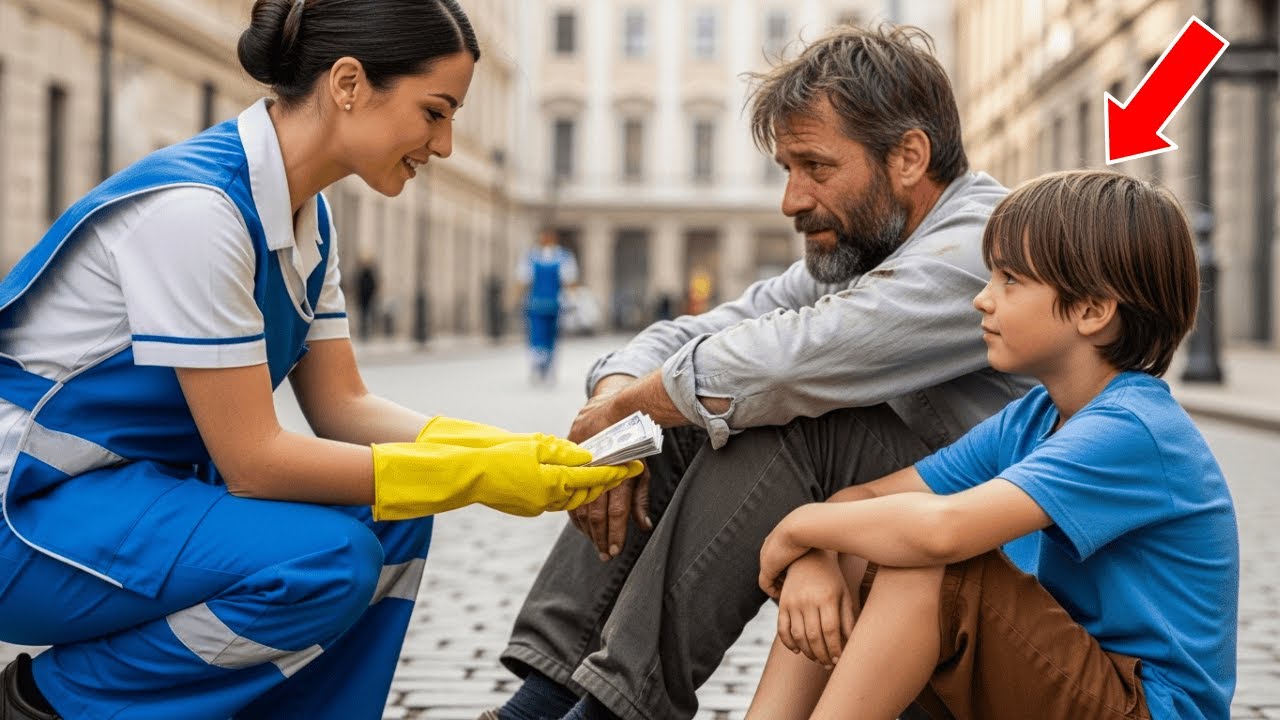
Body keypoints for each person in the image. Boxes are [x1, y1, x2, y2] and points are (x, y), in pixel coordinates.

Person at [0, 2, 639, 718]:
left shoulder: (308, 216)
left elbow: (343, 408)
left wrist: (517, 451)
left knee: (394, 515)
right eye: (435, 111)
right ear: (348, 84)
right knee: (323, 561)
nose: (449, 144)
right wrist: (482, 476)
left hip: (113, 499)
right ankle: (47, 702)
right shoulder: (199, 211)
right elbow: (255, 461)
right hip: (24, 516)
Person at [492, 25, 1035, 720]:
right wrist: (617, 402)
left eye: (815, 167)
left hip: (991, 586)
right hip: (892, 542)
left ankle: (603, 712)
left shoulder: (981, 247)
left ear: (908, 156)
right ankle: (541, 703)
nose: (792, 200)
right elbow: (698, 335)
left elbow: (779, 366)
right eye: (787, 170)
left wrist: (643, 402)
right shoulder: (869, 244)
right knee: (675, 408)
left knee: (745, 406)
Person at [750, 170, 1239, 720]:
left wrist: (796, 527)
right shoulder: (1031, 418)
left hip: (1142, 708)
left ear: (1092, 310)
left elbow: (942, 532)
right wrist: (816, 556)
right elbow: (866, 502)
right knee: (866, 545)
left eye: (1010, 280)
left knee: (934, 568)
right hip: (1062, 681)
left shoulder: (1133, 428)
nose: (982, 299)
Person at [518, 228, 580, 383]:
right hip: (536, 303)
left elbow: (570, 281)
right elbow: (522, 280)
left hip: (553, 304)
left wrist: (573, 300)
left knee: (551, 335)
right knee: (537, 334)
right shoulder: (531, 256)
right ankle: (539, 362)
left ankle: (547, 363)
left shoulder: (563, 257)